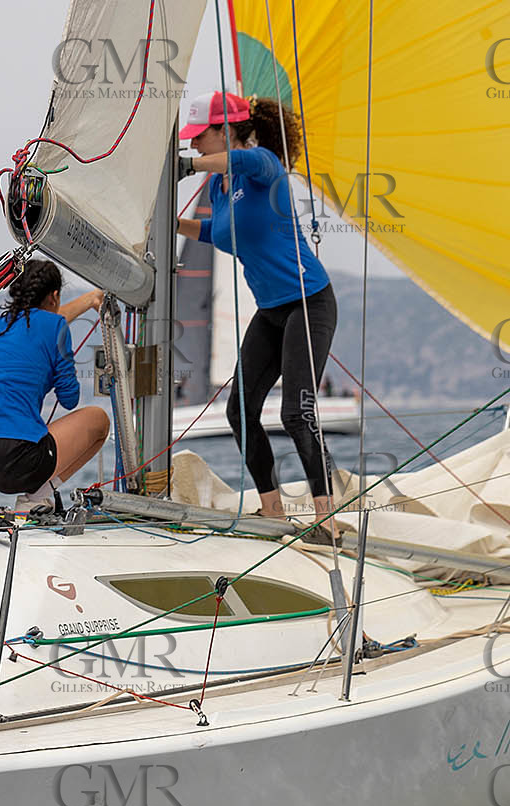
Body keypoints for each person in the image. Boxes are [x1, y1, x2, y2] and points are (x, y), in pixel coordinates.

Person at [176, 91, 338, 537]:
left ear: (227, 131)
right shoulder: (218, 187)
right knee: (239, 411)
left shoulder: (264, 165)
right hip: (270, 312)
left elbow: (242, 162)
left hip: (308, 302)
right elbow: (217, 231)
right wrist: (166, 221)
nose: (194, 145)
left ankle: (327, 519)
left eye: (200, 137)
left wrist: (187, 166)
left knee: (296, 413)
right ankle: (273, 510)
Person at [0, 259, 108, 512]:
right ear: (54, 296)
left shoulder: (0, 325)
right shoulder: (56, 327)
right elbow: (69, 398)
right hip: (15, 456)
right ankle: (33, 501)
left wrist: (89, 300)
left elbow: (41, 322)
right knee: (99, 420)